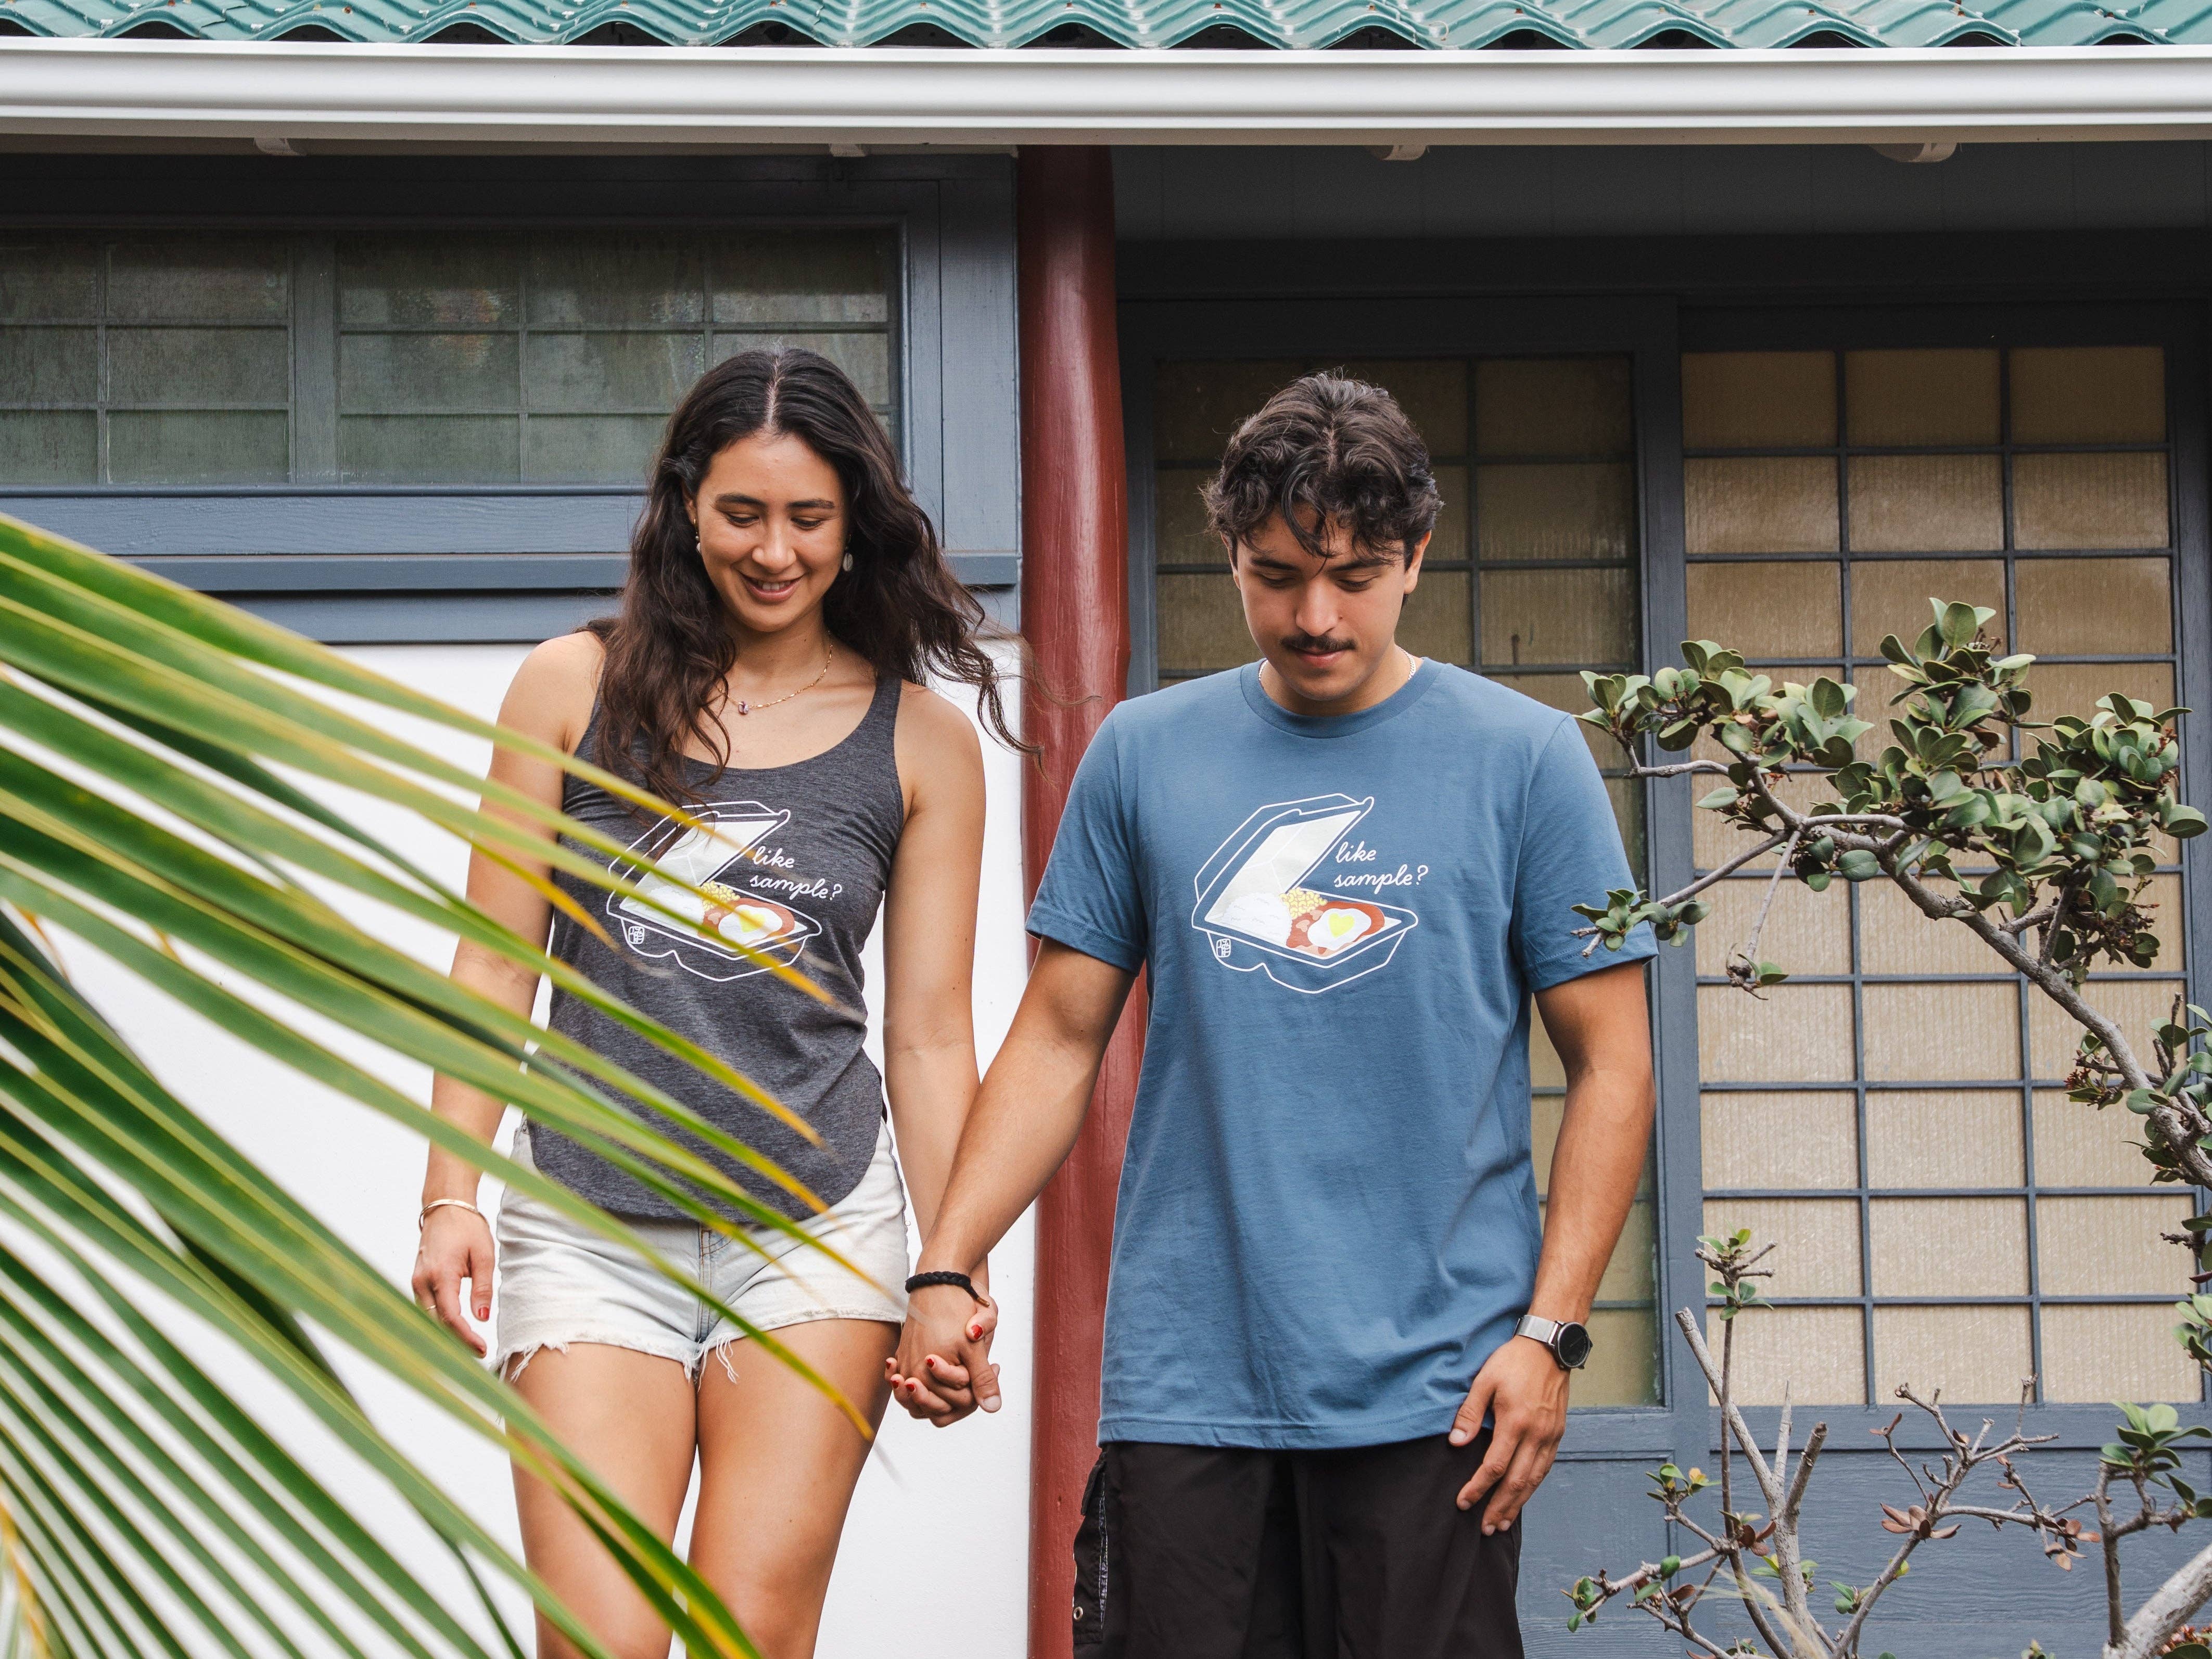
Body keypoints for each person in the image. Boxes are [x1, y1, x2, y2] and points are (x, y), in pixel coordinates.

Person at [889, 372, 1658, 1657]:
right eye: (1277, 575)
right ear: (1231, 556)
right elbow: (1059, 1035)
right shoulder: (1142, 752)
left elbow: (1613, 1066)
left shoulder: (1525, 758)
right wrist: (944, 1262)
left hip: (1441, 1388)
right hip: (1190, 1378)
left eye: (1354, 576)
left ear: (1416, 556)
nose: (1314, 616)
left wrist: (1551, 1333)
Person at [411, 348, 1010, 1659]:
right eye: (742, 512)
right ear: (687, 506)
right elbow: (495, 960)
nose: (773, 551)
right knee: (601, 1638)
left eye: (808, 518)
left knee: (748, 1632)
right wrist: (450, 1194)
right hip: (589, 1220)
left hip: (817, 1229)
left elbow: (927, 1034)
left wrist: (951, 1268)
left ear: (855, 522)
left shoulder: (921, 742)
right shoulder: (570, 687)